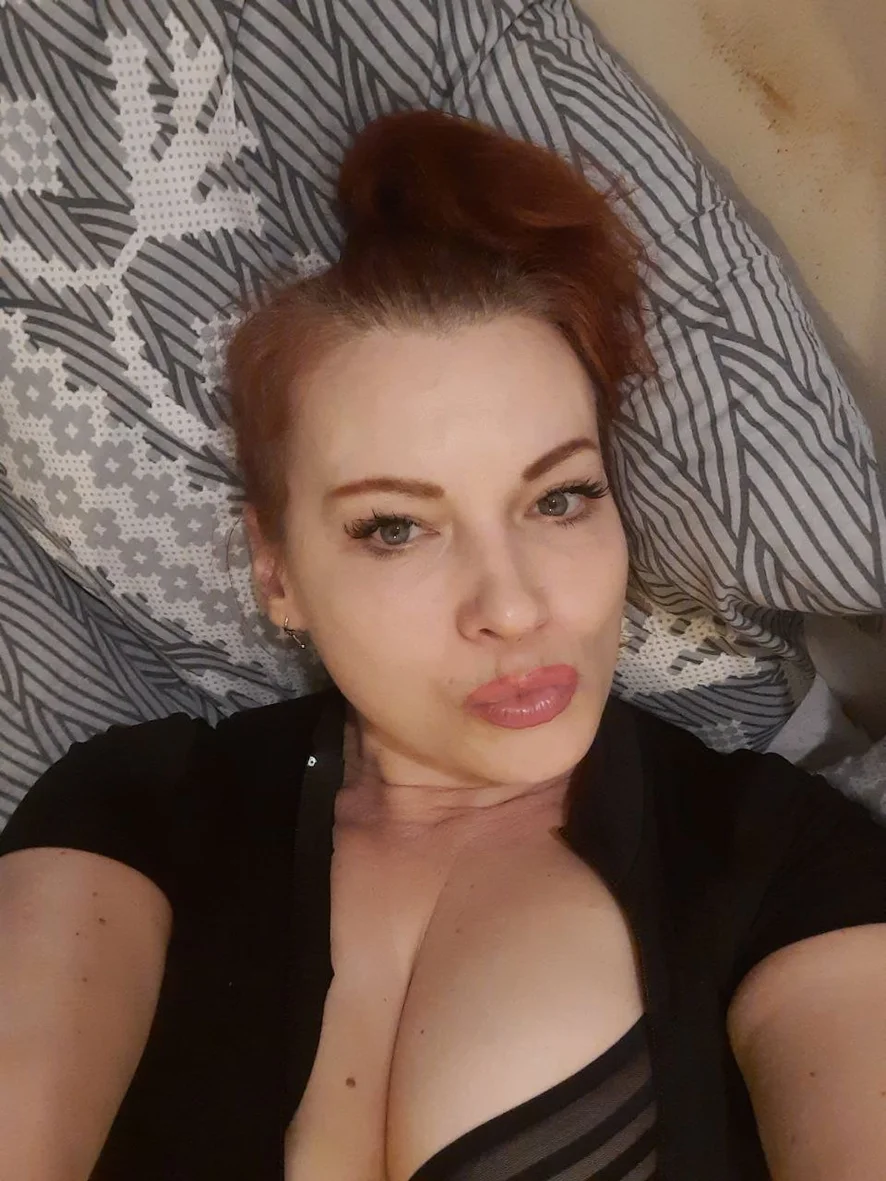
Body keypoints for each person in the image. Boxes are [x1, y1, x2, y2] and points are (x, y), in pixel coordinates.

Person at [1, 109, 885, 1181]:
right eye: (394, 527)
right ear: (277, 571)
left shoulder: (782, 858)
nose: (510, 607)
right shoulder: (137, 811)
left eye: (559, 498)